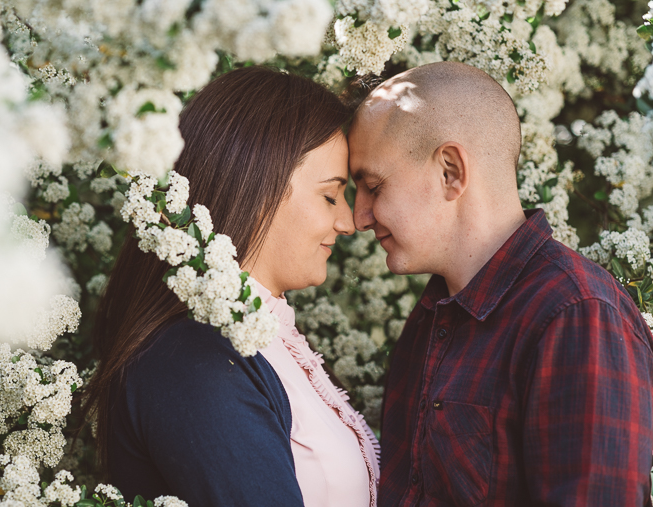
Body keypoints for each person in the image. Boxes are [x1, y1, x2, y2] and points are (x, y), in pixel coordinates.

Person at [349, 61, 653, 507]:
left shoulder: (576, 314)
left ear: (450, 171)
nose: (359, 216)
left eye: (373, 186)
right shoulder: (432, 316)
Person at [84, 66, 379, 507]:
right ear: (259, 186)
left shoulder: (262, 336)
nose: (349, 221)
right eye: (330, 195)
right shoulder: (193, 361)